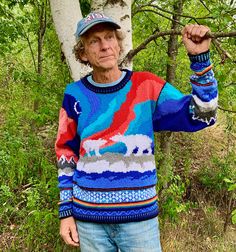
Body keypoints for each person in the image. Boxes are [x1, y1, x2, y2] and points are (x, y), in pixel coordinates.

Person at [55, 12, 218, 252]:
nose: (104, 46)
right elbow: (66, 152)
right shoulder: (74, 94)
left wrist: (200, 59)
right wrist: (66, 211)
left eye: (110, 37)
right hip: (89, 222)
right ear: (83, 53)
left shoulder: (147, 87)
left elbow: (204, 114)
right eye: (94, 41)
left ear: (119, 43)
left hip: (139, 220)